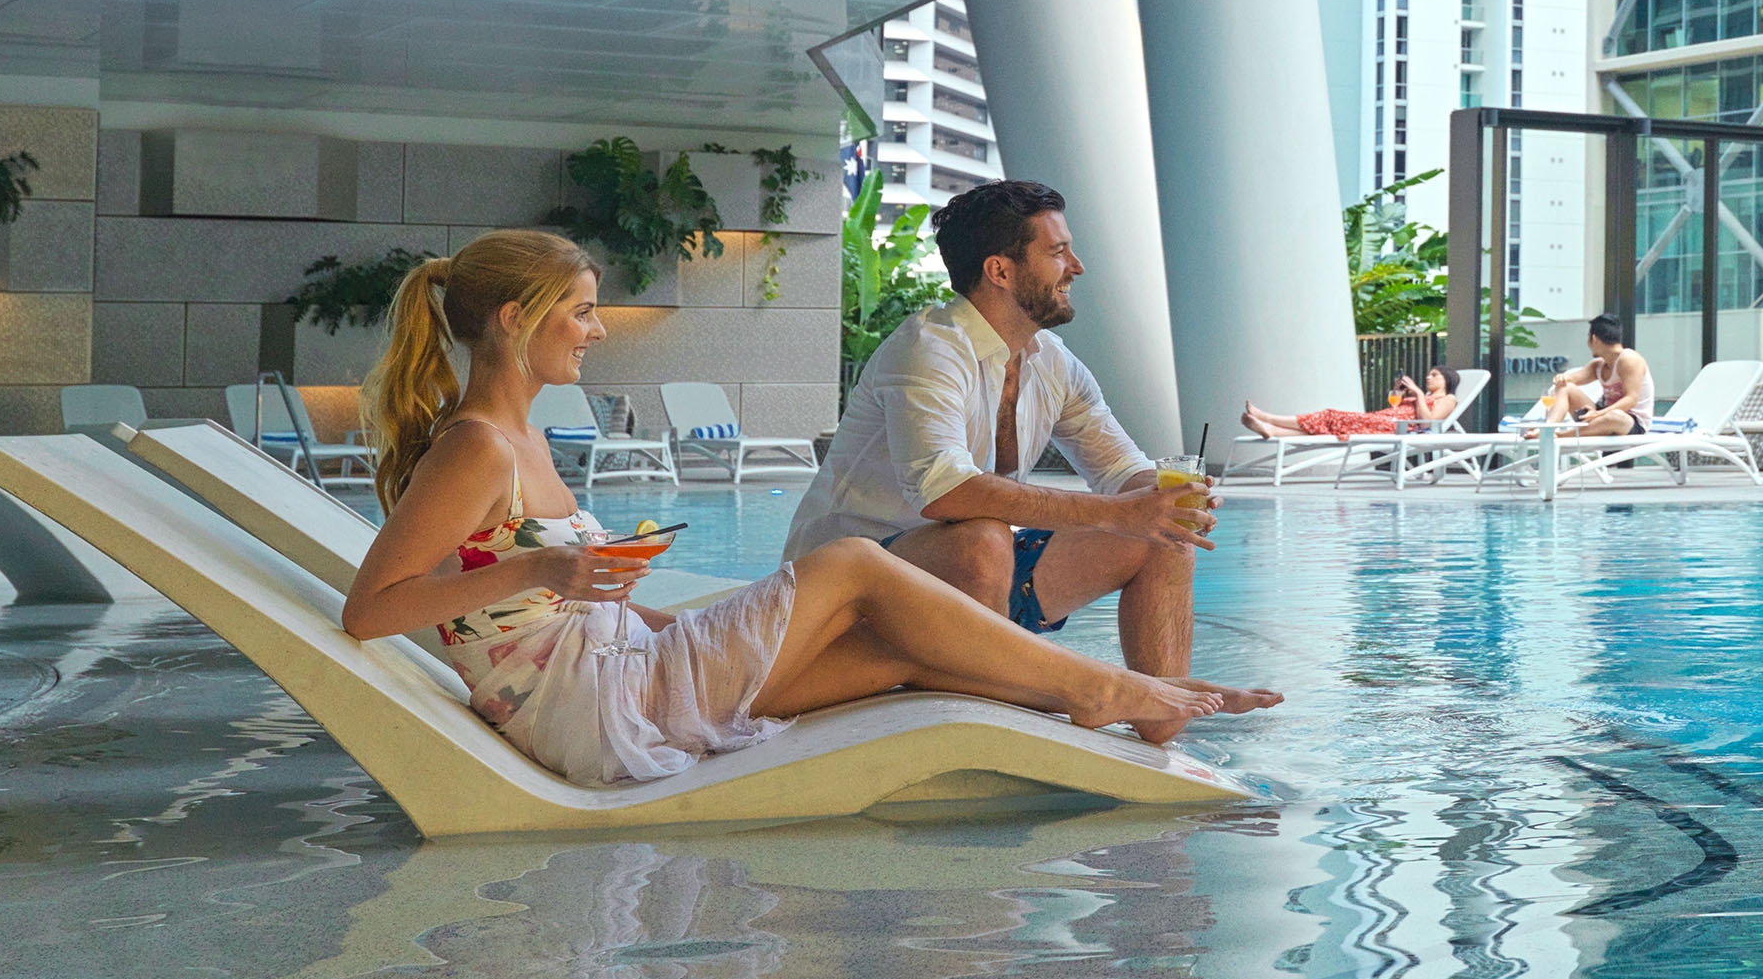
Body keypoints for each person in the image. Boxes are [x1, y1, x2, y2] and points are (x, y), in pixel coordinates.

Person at [340, 229, 1238, 784]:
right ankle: (1099, 686)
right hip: (600, 707)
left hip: (626, 667)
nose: (598, 327)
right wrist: (547, 565)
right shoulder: (478, 447)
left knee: (892, 653)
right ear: (511, 317)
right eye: (579, 311)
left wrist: (640, 601)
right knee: (853, 566)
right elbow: (371, 610)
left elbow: (542, 609)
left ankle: (1083, 706)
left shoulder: (517, 437)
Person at [787, 179, 1255, 698]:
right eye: (1057, 252)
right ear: (1000, 271)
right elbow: (947, 493)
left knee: (1166, 534)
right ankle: (1033, 693)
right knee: (981, 540)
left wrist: (1161, 498)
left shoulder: (1051, 361)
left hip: (973, 585)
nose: (1076, 267)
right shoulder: (929, 349)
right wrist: (1117, 511)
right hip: (852, 595)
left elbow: (1121, 470)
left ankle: (1166, 707)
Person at [1242, 370, 1462, 441]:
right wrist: (1399, 390)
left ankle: (1269, 419)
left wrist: (1416, 394)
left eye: (1435, 375)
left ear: (1447, 380)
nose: (1428, 377)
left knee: (1331, 416)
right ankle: (1272, 431)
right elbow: (1393, 407)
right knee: (1329, 424)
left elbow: (1429, 422)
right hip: (1383, 419)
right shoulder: (1421, 395)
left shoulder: (1448, 399)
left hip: (1398, 428)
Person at [1529, 315, 1654, 437]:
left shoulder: (1629, 359)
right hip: (1601, 416)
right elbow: (1573, 378)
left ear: (1594, 339)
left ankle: (1561, 435)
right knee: (1565, 387)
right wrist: (1562, 378)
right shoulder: (1598, 365)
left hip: (1631, 423)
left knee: (1615, 416)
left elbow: (1631, 399)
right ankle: (1548, 428)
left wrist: (1598, 414)